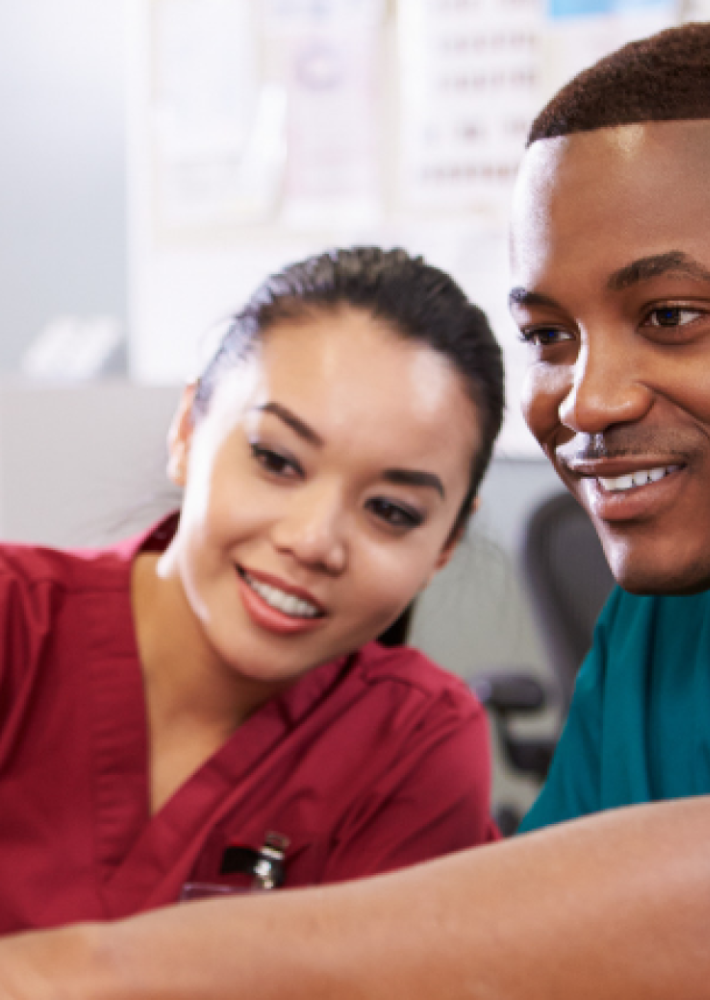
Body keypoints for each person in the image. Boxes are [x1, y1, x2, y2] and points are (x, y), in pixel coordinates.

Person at [5, 21, 710, 999]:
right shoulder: (665, 620)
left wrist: (72, 970)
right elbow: (552, 939)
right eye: (546, 332)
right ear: (189, 429)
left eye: (668, 316)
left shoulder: (405, 738)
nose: (585, 399)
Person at [0, 246, 504, 932]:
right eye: (275, 460)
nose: (313, 540)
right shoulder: (13, 625)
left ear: (444, 543)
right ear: (186, 431)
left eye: (391, 511)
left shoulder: (415, 746)